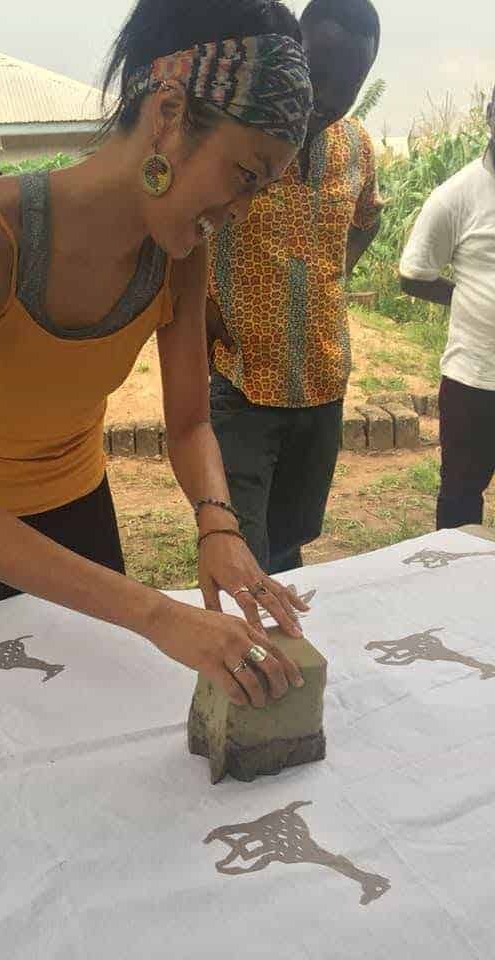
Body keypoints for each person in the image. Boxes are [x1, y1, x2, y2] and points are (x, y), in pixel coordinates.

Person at [0, 0, 315, 708]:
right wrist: (157, 613)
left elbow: (188, 423)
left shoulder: (181, 254)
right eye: (244, 175)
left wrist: (218, 526)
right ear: (171, 113)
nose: (239, 210)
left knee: (89, 723)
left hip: (79, 513)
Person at [206, 0, 381, 574]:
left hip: (322, 383)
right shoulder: (236, 135)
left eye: (348, 85)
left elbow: (365, 222)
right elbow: (182, 228)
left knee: (291, 544)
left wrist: (333, 275)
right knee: (242, 553)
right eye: (317, 73)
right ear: (292, 53)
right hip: (242, 383)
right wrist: (200, 311)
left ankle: (287, 657)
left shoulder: (356, 148)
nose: (327, 98)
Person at [399, 86, 495, 531]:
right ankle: (457, 595)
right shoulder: (456, 196)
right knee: (460, 497)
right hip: (473, 380)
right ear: (491, 116)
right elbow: (414, 275)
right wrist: (469, 299)